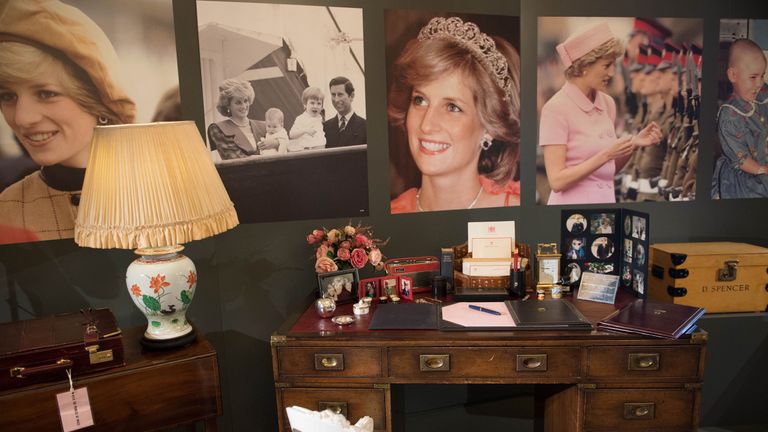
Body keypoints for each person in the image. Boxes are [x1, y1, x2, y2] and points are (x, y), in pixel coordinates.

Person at [0, 0, 135, 243]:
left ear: (99, 100)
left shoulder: (167, 192)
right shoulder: (5, 212)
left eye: (46, 93)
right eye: (7, 96)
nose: (22, 118)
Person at [388, 16, 521, 213]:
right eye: (420, 100)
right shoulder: (389, 217)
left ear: (489, 127)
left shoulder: (518, 210)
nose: (426, 125)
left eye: (452, 107)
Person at [539, 22, 662, 205]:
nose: (612, 73)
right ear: (584, 66)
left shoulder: (607, 103)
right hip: (571, 215)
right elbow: (557, 181)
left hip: (604, 210)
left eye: (614, 65)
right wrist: (606, 154)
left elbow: (607, 172)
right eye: (606, 66)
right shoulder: (555, 109)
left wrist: (633, 145)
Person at [712, 38, 768, 199]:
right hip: (742, 180)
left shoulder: (761, 93)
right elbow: (742, 160)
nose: (759, 83)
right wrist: (762, 170)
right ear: (733, 75)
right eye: (753, 77)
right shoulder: (729, 116)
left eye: (762, 75)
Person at [207, 78, 268, 160]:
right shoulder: (218, 129)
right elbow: (234, 159)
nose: (244, 106)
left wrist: (276, 142)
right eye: (238, 102)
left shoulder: (264, 126)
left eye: (245, 101)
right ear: (227, 105)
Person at [323, 76, 367, 148]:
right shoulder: (325, 127)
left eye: (340, 94)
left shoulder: (365, 127)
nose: (336, 100)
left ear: (351, 96)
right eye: (333, 95)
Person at [288, 86, 326, 152]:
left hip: (321, 149)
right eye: (312, 103)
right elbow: (291, 134)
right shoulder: (301, 118)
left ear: (322, 107)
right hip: (308, 150)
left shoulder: (319, 118)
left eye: (319, 103)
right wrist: (305, 130)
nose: (315, 106)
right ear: (305, 104)